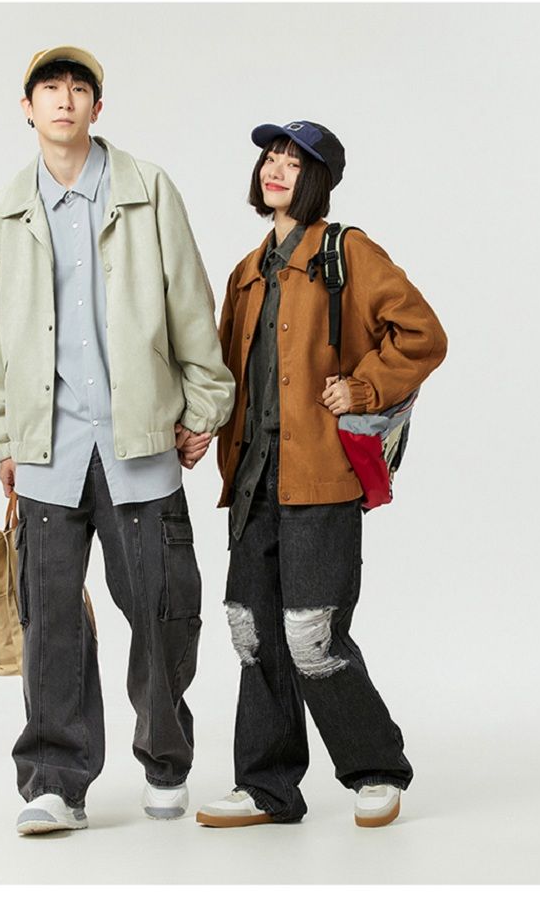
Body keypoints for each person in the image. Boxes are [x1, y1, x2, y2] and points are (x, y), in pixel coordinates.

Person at [0, 45, 234, 835]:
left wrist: (205, 405)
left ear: (97, 106)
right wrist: (5, 436)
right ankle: (55, 782)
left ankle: (165, 760)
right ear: (27, 107)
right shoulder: (5, 211)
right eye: (50, 88)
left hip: (140, 442)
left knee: (162, 611)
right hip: (47, 450)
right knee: (50, 624)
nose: (65, 99)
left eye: (79, 87)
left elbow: (190, 301)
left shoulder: (147, 190)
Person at [196, 120, 447, 829]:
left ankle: (376, 770)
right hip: (253, 482)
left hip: (320, 482)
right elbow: (225, 373)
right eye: (269, 158)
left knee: (313, 635)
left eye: (293, 162)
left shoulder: (348, 252)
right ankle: (268, 787)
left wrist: (363, 388)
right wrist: (195, 426)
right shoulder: (247, 272)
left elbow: (424, 335)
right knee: (253, 634)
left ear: (319, 181)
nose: (275, 169)